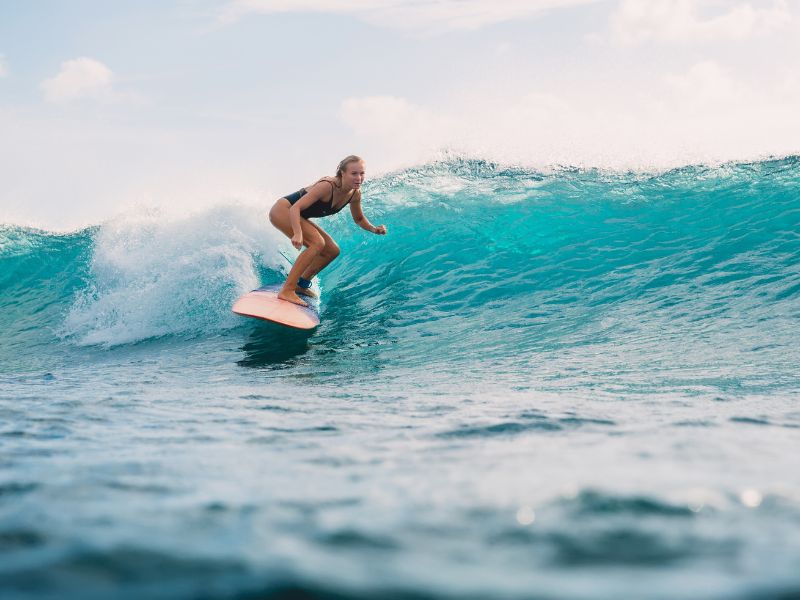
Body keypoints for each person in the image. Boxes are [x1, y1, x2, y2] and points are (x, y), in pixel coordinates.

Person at [269, 155, 387, 306]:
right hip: (283, 210)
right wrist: (298, 233)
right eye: (354, 173)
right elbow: (295, 208)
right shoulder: (327, 186)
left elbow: (359, 219)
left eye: (362, 173)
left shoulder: (354, 194)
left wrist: (374, 229)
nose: (359, 177)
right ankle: (287, 290)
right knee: (317, 243)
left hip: (298, 215)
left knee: (332, 250)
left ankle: (301, 284)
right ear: (342, 173)